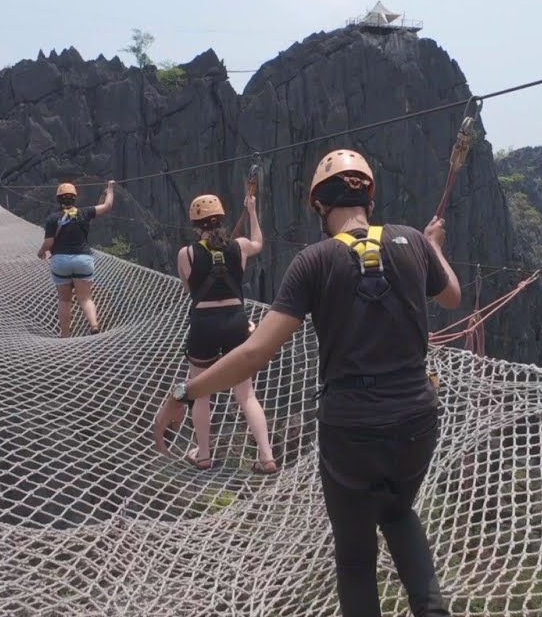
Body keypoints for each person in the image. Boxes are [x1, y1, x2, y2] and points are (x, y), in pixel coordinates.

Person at [153, 149, 460, 616]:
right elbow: (452, 296)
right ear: (370, 198)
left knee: (355, 556)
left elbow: (256, 351)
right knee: (398, 513)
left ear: (319, 205)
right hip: (418, 418)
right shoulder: (414, 242)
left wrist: (183, 393)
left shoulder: (313, 261)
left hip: (351, 429)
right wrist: (434, 245)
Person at [175, 192, 277, 473]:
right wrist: (252, 211)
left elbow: (189, 290)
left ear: (196, 224)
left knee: (200, 391)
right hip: (236, 321)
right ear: (221, 219)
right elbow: (258, 242)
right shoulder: (240, 246)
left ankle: (204, 454)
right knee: (246, 395)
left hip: (204, 323)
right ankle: (266, 456)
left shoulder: (186, 254)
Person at [37, 180, 115, 337]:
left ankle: (65, 335)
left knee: (65, 300)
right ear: (74, 198)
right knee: (85, 298)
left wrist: (41, 251)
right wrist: (111, 188)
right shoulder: (84, 213)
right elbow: (107, 206)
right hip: (83, 260)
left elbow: (49, 242)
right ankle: (94, 325)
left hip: (61, 261)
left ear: (58, 199)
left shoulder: (53, 218)